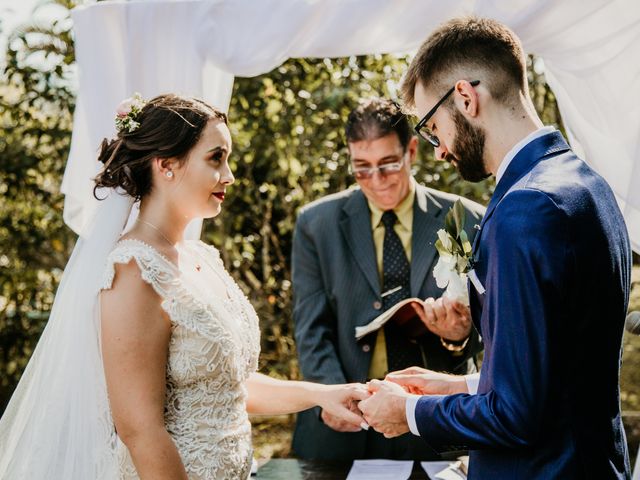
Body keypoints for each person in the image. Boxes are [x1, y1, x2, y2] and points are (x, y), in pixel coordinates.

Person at [0, 94, 369, 480]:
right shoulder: (134, 272)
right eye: (216, 158)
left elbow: (227, 387)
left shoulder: (201, 258)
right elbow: (139, 430)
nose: (229, 175)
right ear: (166, 165)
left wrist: (321, 394)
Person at [358, 17, 632, 479]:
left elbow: (516, 416)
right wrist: (454, 386)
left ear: (465, 97)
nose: (439, 149)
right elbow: (560, 368)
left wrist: (407, 414)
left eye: (431, 126)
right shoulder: (586, 183)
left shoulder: (524, 209)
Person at [291, 97, 485, 461]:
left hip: (432, 429)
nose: (376, 180)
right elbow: (310, 327)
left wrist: (459, 340)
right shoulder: (316, 225)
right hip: (344, 428)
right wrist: (334, 397)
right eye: (361, 168)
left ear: (412, 150)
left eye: (388, 165)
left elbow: (491, 333)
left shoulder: (466, 219)